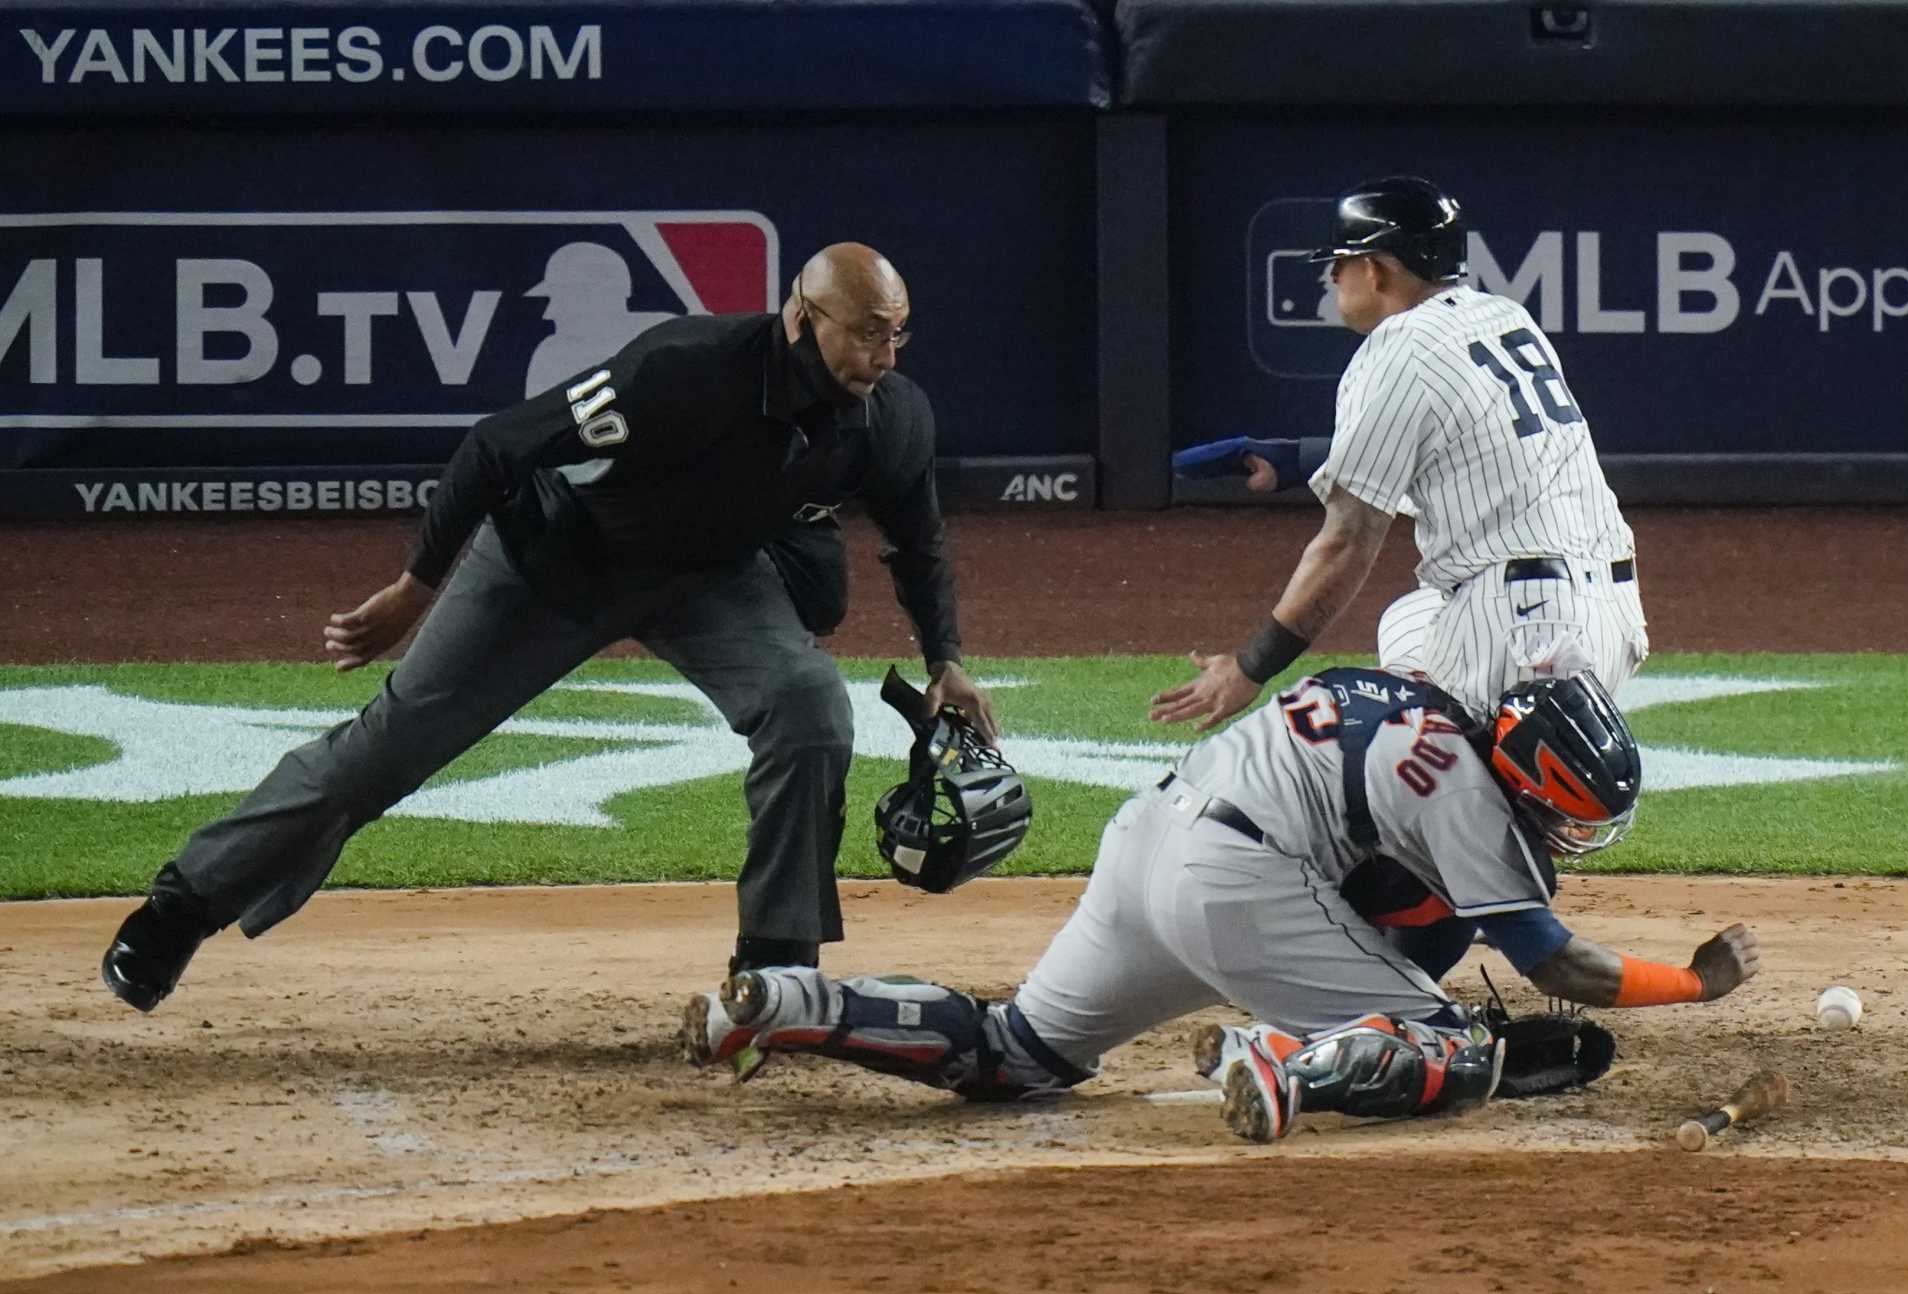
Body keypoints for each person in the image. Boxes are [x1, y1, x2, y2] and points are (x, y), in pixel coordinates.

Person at [100, 243, 995, 1014]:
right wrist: (415, 588)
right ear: (804, 316)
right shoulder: (684, 369)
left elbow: (919, 540)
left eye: (897, 332)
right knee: (389, 750)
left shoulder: (890, 420)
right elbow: (499, 444)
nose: (884, 352)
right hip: (554, 564)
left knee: (809, 702)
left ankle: (777, 969)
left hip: (706, 580)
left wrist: (944, 659)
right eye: (866, 329)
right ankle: (179, 909)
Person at [681, 666, 1760, 1143]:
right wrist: (1697, 981)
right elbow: (1561, 970)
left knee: (1017, 1055)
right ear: (1527, 776)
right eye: (1566, 810)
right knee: (1456, 1049)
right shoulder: (1473, 807)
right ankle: (1283, 1061)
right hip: (1238, 885)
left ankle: (782, 1001)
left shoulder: (1405, 699)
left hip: (1151, 836)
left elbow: (1381, 911)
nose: (1569, 831)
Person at [1156, 174, 1648, 731]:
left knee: (1388, 771)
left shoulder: (1397, 347)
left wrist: (1248, 667)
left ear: (1375, 267)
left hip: (1520, 631)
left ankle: (1496, 782)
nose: (1333, 274)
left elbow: (1346, 544)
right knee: (1410, 621)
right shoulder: (1505, 317)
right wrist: (1297, 460)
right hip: (1611, 616)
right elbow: (1471, 449)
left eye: (1341, 260)